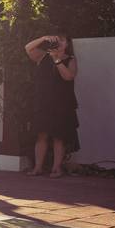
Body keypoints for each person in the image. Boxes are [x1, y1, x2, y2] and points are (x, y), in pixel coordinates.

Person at [25, 33, 79, 178]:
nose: (59, 42)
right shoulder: (42, 56)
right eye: (57, 39)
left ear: (68, 44)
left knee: (58, 137)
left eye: (62, 40)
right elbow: (28, 48)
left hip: (61, 104)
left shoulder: (70, 60)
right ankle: (38, 168)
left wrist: (57, 59)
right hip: (43, 102)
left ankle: (56, 169)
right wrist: (43, 39)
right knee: (41, 136)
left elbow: (68, 76)